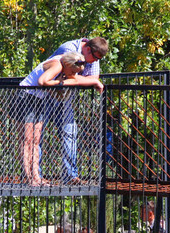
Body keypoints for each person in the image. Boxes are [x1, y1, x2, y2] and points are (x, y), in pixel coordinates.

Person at [14, 51, 90, 186]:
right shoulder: (57, 65)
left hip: (39, 99)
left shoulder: (64, 66)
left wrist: (65, 82)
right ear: (67, 65)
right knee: (27, 140)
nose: (72, 75)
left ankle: (37, 177)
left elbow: (57, 87)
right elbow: (42, 81)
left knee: (36, 140)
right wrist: (62, 82)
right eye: (72, 71)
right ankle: (30, 178)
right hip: (25, 98)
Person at [41, 37, 108, 185]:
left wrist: (91, 80)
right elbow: (74, 78)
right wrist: (91, 81)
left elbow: (92, 77)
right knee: (37, 135)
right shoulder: (69, 49)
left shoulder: (94, 56)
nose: (94, 62)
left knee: (70, 133)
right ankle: (36, 177)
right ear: (88, 49)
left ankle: (70, 176)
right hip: (44, 97)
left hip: (63, 98)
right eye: (94, 58)